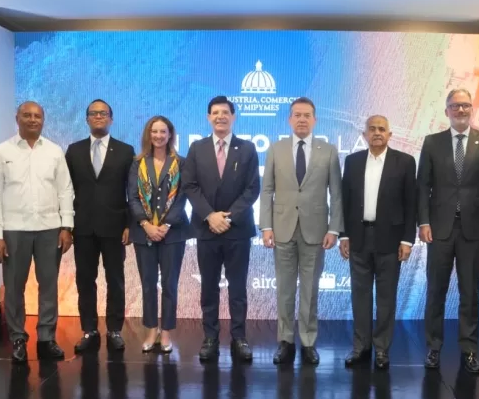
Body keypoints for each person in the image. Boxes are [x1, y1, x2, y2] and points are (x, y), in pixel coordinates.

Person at [418, 88, 479, 374]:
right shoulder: (432, 143)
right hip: (439, 229)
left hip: (473, 230)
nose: (461, 110)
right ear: (447, 111)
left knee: (470, 292)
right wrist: (423, 221)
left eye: (466, 105)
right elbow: (423, 187)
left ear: (472, 109)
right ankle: (433, 347)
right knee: (436, 291)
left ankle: (469, 350)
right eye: (455, 106)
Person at [0, 101, 75, 363]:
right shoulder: (1, 152)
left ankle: (46, 338)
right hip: (13, 231)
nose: (32, 120)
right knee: (14, 288)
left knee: (49, 286)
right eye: (27, 115)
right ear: (17, 119)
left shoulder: (55, 151)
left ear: (43, 120)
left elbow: (65, 191)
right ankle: (17, 338)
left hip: (50, 229)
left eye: (37, 116)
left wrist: (66, 226)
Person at [260, 97, 343, 366]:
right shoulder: (276, 149)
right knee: (284, 289)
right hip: (282, 229)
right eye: (297, 115)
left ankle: (308, 341)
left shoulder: (328, 151)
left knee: (310, 289)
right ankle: (285, 341)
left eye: (307, 115)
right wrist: (266, 226)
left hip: (316, 231)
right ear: (289, 119)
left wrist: (334, 228)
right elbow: (267, 190)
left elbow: (336, 193)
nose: (302, 119)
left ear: (315, 120)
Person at [181, 96, 260, 362]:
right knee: (209, 287)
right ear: (208, 117)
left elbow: (252, 189)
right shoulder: (197, 148)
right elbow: (189, 186)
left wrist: (228, 217)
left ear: (233, 116)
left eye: (225, 112)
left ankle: (239, 337)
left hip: (237, 230)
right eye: (215, 113)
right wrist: (209, 216)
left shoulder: (247, 148)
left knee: (237, 287)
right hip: (206, 230)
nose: (220, 117)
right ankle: (210, 337)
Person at [339, 115, 416, 369]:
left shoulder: (404, 162)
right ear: (364, 134)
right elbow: (345, 201)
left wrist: (407, 240)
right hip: (359, 238)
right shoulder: (352, 161)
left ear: (390, 134)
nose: (377, 133)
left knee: (386, 297)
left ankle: (382, 349)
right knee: (359, 296)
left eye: (382, 129)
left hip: (391, 241)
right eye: (372, 129)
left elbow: (410, 204)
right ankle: (361, 347)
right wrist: (344, 235)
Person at [65, 99, 135, 353]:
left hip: (115, 226)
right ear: (86, 119)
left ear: (111, 119)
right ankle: (89, 330)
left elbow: (133, 192)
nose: (98, 117)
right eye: (93, 113)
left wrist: (130, 224)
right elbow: (65, 190)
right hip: (82, 227)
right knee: (85, 280)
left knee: (115, 279)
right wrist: (66, 224)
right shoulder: (73, 151)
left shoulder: (126, 151)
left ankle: (114, 330)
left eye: (103, 113)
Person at [128, 116, 190, 353]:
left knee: (170, 285)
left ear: (170, 135)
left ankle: (166, 333)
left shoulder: (181, 163)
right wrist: (146, 224)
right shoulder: (137, 163)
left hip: (173, 234)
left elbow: (183, 197)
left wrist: (165, 226)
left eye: (163, 131)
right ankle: (151, 330)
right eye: (154, 131)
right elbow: (132, 197)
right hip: (143, 233)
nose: (158, 136)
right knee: (147, 284)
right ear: (148, 134)